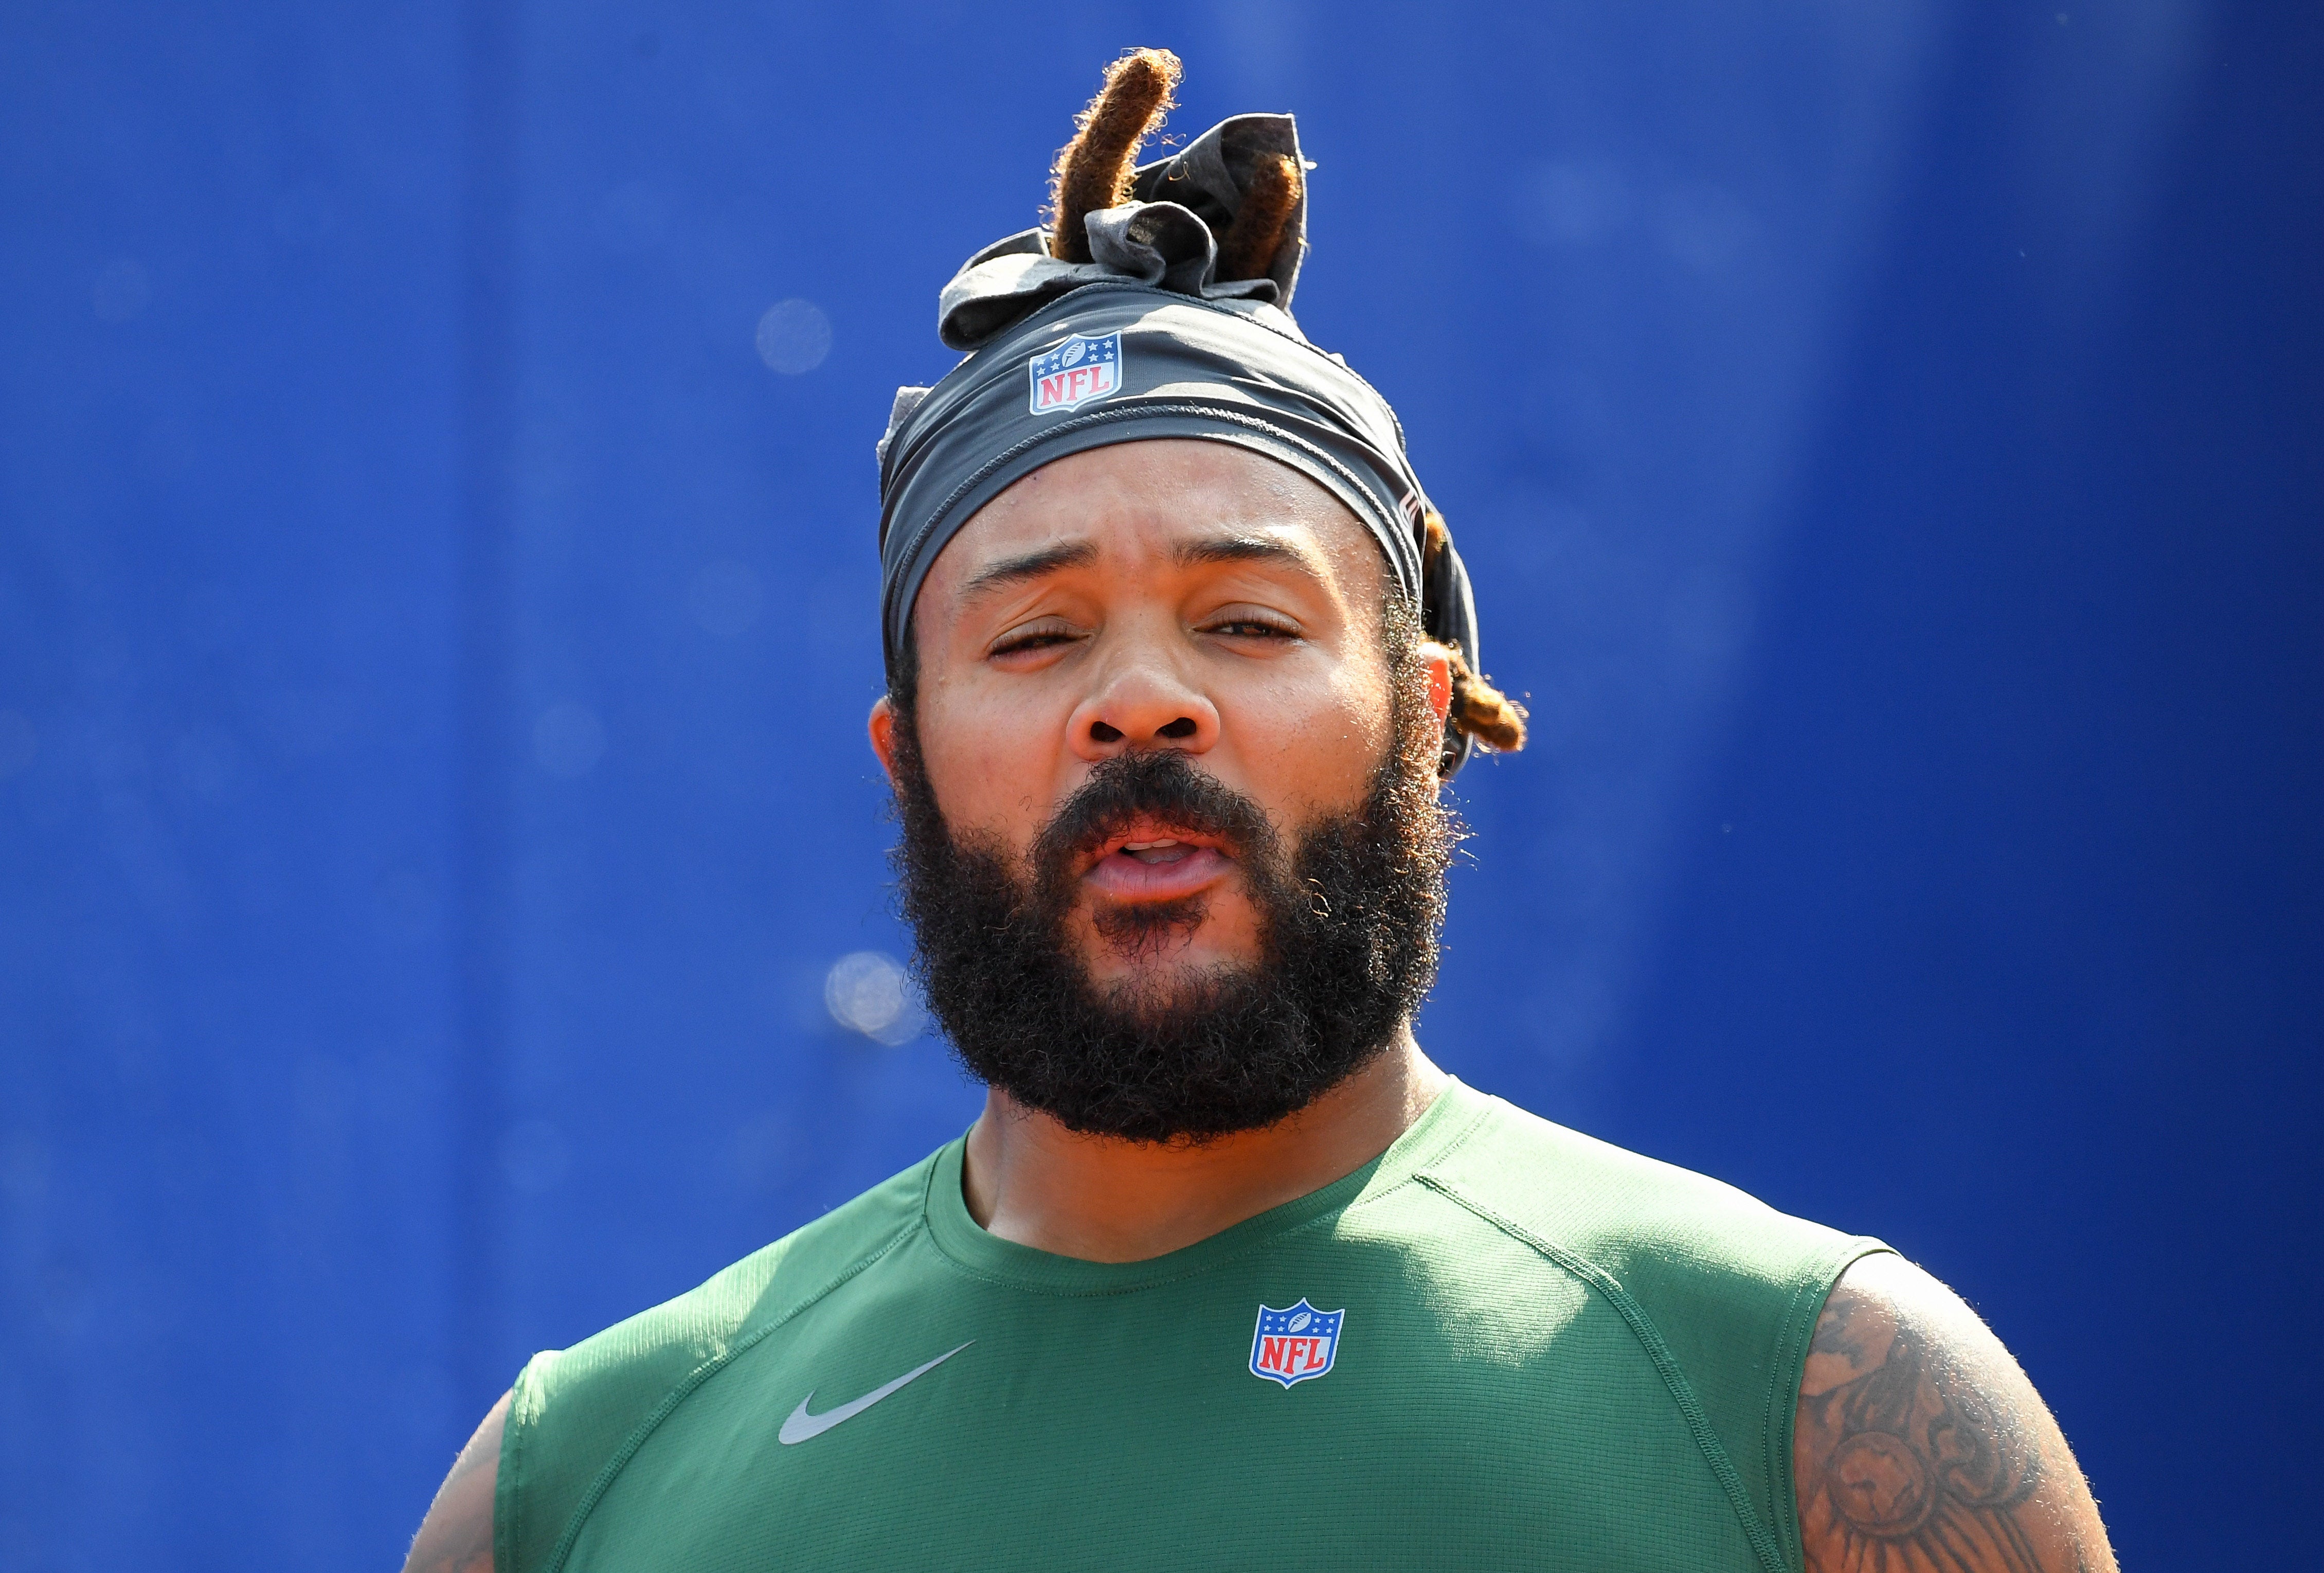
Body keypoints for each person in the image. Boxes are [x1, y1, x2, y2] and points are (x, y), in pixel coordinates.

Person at [405, 49, 2116, 1573]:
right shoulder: (577, 1488)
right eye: (1032, 633)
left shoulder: (1815, 1410)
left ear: (1423, 713)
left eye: (1244, 619)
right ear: (905, 754)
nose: (1139, 698)